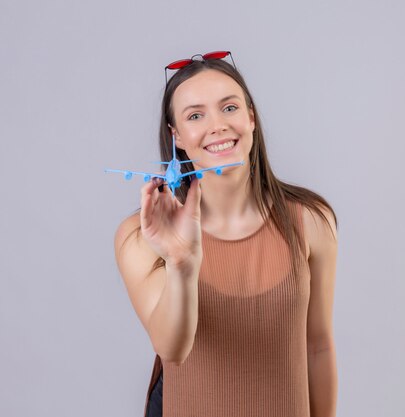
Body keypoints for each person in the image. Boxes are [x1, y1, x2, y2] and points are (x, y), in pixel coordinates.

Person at [113, 51, 339, 417]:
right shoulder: (139, 237)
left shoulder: (311, 220)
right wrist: (182, 263)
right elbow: (171, 348)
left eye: (229, 108)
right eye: (196, 116)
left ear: (251, 117)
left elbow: (319, 347)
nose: (217, 125)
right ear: (178, 137)